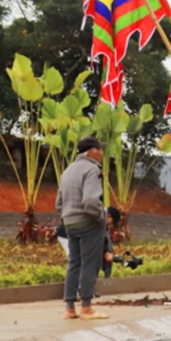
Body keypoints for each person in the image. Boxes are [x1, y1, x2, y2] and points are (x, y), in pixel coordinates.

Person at [59, 136, 112, 322]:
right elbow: (90, 200)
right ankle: (87, 308)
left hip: (69, 222)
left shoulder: (68, 170)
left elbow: (59, 202)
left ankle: (69, 308)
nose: (102, 153)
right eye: (100, 149)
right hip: (88, 222)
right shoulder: (92, 169)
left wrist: (67, 217)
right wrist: (101, 218)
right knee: (90, 263)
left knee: (74, 263)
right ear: (91, 152)